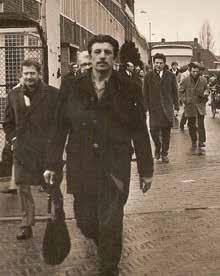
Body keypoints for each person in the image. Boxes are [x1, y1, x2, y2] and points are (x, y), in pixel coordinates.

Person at [44, 35, 153, 275]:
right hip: (81, 165)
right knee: (86, 221)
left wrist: (146, 170)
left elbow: (139, 131)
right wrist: (52, 164)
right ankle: (105, 243)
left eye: (107, 52)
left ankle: (109, 267)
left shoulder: (129, 87)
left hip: (114, 166)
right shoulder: (72, 86)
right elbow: (59, 126)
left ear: (114, 57)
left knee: (111, 221)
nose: (102, 56)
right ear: (90, 56)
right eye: (97, 52)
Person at [3, 59, 62, 240]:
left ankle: (56, 220)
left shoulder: (53, 94)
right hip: (22, 149)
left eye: (32, 73)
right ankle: (26, 224)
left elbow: (58, 123)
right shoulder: (13, 95)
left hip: (45, 149)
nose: (29, 77)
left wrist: (54, 145)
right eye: (26, 73)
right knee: (22, 186)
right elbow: (7, 122)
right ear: (21, 75)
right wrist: (13, 138)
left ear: (39, 74)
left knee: (51, 185)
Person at [143, 53, 179, 163]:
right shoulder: (148, 76)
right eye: (156, 63)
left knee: (166, 133)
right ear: (153, 63)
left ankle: (164, 154)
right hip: (154, 109)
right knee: (153, 130)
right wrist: (145, 109)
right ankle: (158, 147)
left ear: (164, 64)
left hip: (166, 109)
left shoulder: (170, 76)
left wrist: (176, 107)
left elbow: (175, 92)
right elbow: (145, 94)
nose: (158, 65)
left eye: (161, 63)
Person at [179, 63, 209, 154]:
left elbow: (206, 89)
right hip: (190, 105)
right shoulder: (185, 80)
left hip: (200, 104)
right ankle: (193, 141)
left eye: (197, 71)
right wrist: (184, 99)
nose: (195, 73)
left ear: (199, 71)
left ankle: (201, 141)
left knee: (201, 123)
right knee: (191, 124)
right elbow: (180, 91)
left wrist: (206, 93)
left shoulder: (203, 80)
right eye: (193, 71)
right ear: (190, 71)